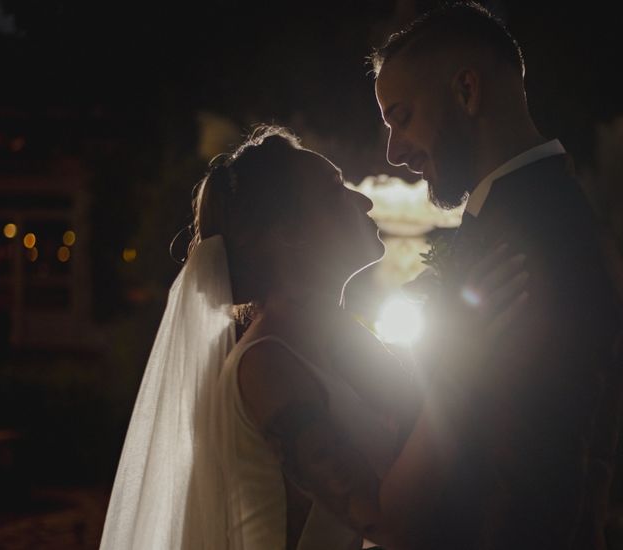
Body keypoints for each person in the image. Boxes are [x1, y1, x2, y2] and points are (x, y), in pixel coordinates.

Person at [100, 126, 529, 549]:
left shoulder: (348, 340)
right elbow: (384, 523)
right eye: (335, 190)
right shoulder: (266, 367)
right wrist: (461, 362)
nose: (363, 200)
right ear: (291, 234)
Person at [370, 2, 623, 548]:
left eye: (401, 117)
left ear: (467, 90)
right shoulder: (545, 216)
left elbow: (528, 472)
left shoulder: (527, 242)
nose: (394, 151)